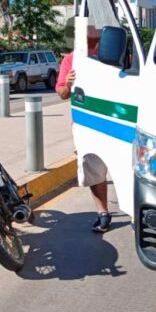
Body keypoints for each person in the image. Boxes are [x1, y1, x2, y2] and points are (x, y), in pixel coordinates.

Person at [56, 22, 111, 233]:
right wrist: (68, 84)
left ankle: (138, 213)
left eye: (96, 40)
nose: (93, 45)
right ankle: (103, 213)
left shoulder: (113, 57)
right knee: (93, 170)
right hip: (86, 124)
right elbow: (61, 93)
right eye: (89, 41)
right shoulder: (70, 60)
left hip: (117, 121)